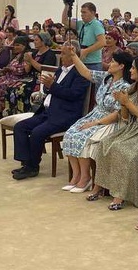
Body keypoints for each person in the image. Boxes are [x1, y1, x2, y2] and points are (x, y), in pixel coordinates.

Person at [95, 55, 138, 210]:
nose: (130, 71)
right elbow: (125, 118)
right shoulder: (133, 88)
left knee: (126, 153)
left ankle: (120, 195)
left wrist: (127, 102)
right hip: (132, 128)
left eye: (133, 68)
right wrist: (123, 104)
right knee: (105, 143)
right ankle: (100, 187)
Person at [12, 44, 90, 180]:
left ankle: (32, 167)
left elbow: (73, 95)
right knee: (20, 127)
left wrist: (52, 86)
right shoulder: (60, 70)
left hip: (65, 115)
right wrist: (48, 86)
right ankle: (26, 163)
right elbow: (49, 89)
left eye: (64, 54)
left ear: (74, 56)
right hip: (48, 111)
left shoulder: (81, 73)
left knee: (37, 133)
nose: (61, 57)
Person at [61, 50, 133, 193]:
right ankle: (76, 175)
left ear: (121, 66)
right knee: (70, 133)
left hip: (109, 121)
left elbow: (118, 113)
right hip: (94, 114)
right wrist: (74, 56)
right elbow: (86, 72)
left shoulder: (125, 86)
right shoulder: (107, 78)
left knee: (82, 136)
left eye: (113, 61)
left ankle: (86, 177)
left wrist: (96, 123)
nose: (109, 64)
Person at [0, 36, 37, 119]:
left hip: (17, 78)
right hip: (8, 76)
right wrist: (6, 69)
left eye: (18, 45)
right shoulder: (16, 56)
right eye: (14, 45)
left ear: (24, 46)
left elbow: (24, 71)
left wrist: (10, 69)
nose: (15, 47)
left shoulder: (27, 55)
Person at [69, 2, 106, 71]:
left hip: (93, 63)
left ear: (92, 13)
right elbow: (65, 21)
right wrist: (67, 6)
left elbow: (102, 42)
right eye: (81, 12)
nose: (82, 14)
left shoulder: (96, 24)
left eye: (84, 12)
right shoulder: (81, 24)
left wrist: (86, 51)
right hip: (82, 61)